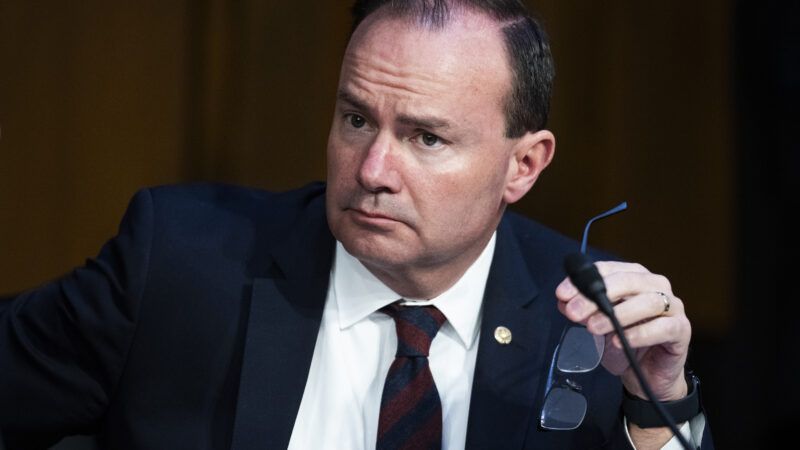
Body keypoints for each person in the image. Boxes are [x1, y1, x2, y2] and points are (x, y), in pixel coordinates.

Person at [0, 1, 712, 449]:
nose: (372, 168)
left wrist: (655, 403)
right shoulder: (180, 261)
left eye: (426, 138)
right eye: (356, 119)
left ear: (523, 165)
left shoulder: (591, 328)